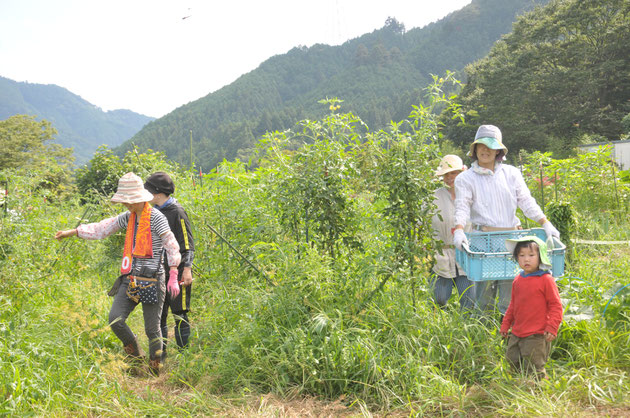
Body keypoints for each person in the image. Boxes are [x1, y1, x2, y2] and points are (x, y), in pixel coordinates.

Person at [55, 172, 181, 376]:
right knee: (115, 319)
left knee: (152, 328)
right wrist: (74, 231)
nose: (127, 205)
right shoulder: (129, 217)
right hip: (130, 278)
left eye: (130, 201)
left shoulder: (156, 218)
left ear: (141, 197)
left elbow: (171, 243)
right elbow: (104, 227)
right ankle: (135, 357)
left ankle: (155, 368)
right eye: (125, 202)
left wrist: (174, 272)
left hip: (152, 279)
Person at [452, 124, 560, 314]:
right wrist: (459, 229)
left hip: (511, 239)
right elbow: (462, 206)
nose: (485, 150)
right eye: (481, 146)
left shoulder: (511, 174)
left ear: (498, 151)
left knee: (509, 293)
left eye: (490, 146)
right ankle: (481, 332)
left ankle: (508, 332)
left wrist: (545, 222)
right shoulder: (465, 178)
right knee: (482, 293)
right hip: (482, 241)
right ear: (475, 149)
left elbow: (526, 201)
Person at [144, 172, 195, 361]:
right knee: (160, 314)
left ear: (158, 193)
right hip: (159, 271)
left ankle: (184, 356)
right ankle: (160, 356)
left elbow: (187, 245)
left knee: (179, 313)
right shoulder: (153, 212)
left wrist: (187, 269)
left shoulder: (177, 212)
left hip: (178, 272)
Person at [500, 236, 563, 379]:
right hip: (517, 332)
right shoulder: (518, 280)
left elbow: (555, 305)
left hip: (536, 334)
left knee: (534, 366)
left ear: (541, 256)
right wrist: (506, 324)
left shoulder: (546, 280)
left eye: (531, 255)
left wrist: (552, 327)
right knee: (512, 360)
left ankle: (538, 391)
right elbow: (513, 305)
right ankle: (517, 386)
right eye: (521, 255)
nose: (526, 259)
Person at [430, 155, 473, 311]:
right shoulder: (433, 198)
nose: (449, 178)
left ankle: (467, 329)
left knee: (469, 300)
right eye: (446, 175)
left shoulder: (471, 195)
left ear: (461, 173)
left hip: (466, 254)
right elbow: (420, 224)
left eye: (453, 173)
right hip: (441, 254)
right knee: (439, 299)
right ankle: (440, 328)